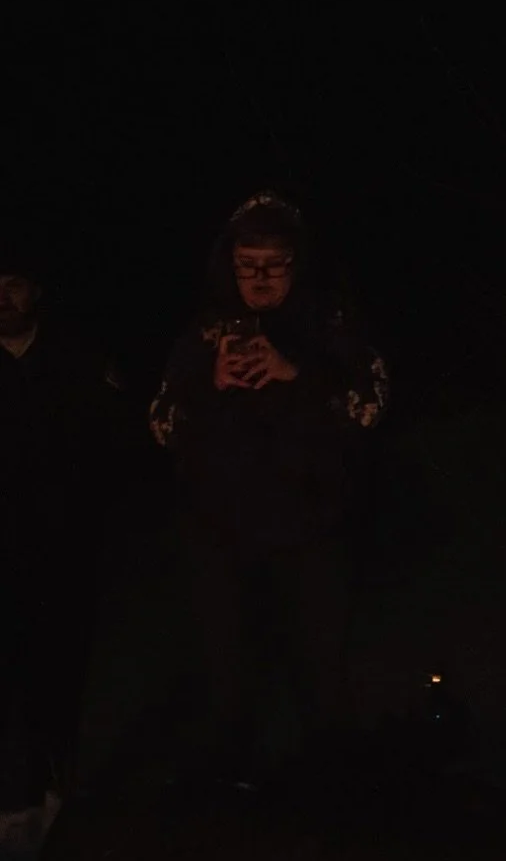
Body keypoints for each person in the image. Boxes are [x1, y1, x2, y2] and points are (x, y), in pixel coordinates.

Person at [149, 193, 388, 777]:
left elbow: (367, 410)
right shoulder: (204, 336)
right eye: (247, 263)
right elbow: (161, 423)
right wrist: (211, 385)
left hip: (311, 532)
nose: (259, 278)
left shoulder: (333, 326)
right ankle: (239, 806)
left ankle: (336, 799)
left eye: (273, 264)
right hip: (221, 540)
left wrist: (295, 376)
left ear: (296, 263)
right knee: (230, 683)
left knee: (323, 679)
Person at [1, 232, 137, 816]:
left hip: (64, 549)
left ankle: (64, 788)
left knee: (64, 668)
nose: (3, 299)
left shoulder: (76, 362)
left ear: (35, 293)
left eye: (13, 287)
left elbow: (113, 448)